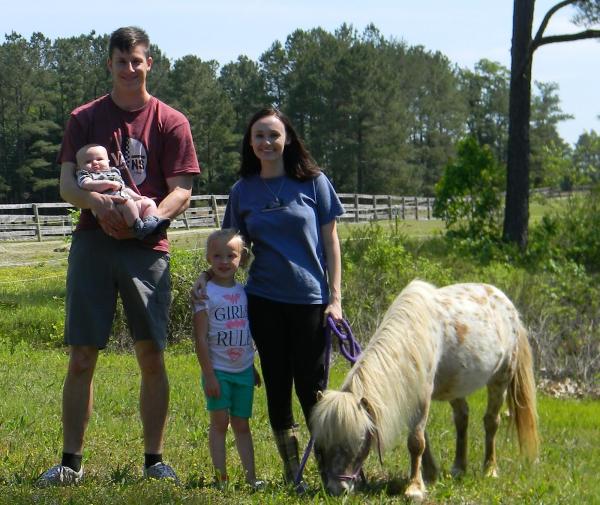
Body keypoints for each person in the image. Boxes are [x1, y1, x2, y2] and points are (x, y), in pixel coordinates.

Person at [37, 26, 200, 487]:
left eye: (138, 60)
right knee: (82, 355)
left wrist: (148, 221)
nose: (130, 69)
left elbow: (182, 188)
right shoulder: (84, 118)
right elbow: (68, 184)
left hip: (147, 248)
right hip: (93, 242)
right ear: (109, 63)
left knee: (152, 355)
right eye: (121, 61)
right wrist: (98, 204)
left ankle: (155, 460)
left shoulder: (171, 121)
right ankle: (71, 462)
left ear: (150, 64)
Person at [197, 107, 344, 489]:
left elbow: (331, 242)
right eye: (259, 135)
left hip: (310, 299)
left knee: (312, 388)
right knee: (277, 384)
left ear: (288, 139)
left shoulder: (314, 183)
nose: (267, 142)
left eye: (274, 135)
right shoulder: (242, 190)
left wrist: (336, 298)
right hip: (263, 300)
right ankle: (292, 472)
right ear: (250, 142)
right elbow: (229, 248)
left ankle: (328, 469)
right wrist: (205, 279)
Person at [192, 229, 264, 490]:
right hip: (218, 371)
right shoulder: (204, 294)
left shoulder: (244, 292)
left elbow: (245, 333)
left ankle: (251, 478)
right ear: (208, 258)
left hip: (243, 370)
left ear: (241, 258)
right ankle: (221, 479)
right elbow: (200, 339)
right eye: (217, 255)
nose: (224, 261)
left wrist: (252, 366)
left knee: (242, 424)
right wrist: (209, 374)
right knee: (220, 423)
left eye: (230, 255)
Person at [75, 143, 170, 239]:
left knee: (148, 202)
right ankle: (138, 229)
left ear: (108, 161)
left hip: (126, 204)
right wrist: (109, 184)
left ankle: (151, 222)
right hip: (109, 209)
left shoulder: (114, 172)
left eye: (99, 159)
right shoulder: (86, 175)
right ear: (79, 167)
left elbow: (124, 188)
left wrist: (138, 197)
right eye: (88, 161)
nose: (95, 163)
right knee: (128, 204)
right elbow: (86, 184)